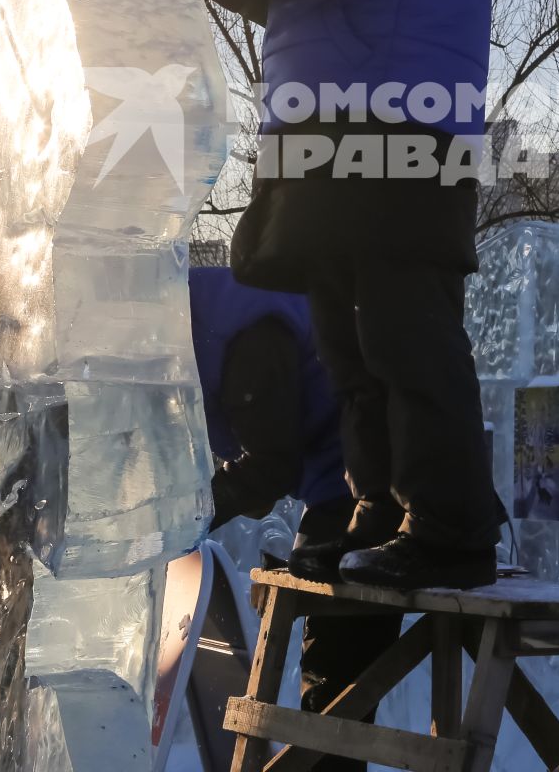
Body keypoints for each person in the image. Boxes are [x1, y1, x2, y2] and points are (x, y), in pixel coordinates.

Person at [176, 0, 500, 590]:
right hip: (325, 129)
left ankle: (452, 524)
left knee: (404, 331)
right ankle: (381, 506)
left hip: (401, 122)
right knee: (347, 347)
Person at [189, 265, 398, 772]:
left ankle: (326, 761)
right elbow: (267, 458)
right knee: (335, 675)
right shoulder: (216, 317)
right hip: (355, 475)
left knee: (336, 676)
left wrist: (179, 519)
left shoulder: (243, 339)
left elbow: (269, 467)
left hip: (378, 484)